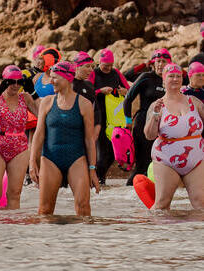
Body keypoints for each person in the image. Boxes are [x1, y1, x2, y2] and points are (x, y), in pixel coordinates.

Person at [29, 60, 100, 216]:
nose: (51, 81)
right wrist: (32, 161)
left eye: (55, 78)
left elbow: (89, 139)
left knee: (83, 209)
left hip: (76, 159)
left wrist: (92, 169)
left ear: (67, 78)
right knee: (45, 211)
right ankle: (49, 240)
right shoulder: (46, 102)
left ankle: (82, 240)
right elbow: (39, 133)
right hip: (50, 159)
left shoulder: (84, 104)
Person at [145, 63, 204, 210]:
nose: (175, 79)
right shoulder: (157, 105)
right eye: (171, 76)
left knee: (201, 203)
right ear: (164, 80)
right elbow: (149, 135)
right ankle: (156, 232)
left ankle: (192, 232)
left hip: (196, 159)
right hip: (166, 160)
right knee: (162, 203)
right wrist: (155, 116)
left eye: (178, 76)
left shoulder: (194, 102)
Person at [0, 65, 38, 209]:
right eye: (12, 81)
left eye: (19, 82)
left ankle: (12, 228)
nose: (16, 85)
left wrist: (33, 92)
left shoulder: (25, 97)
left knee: (14, 193)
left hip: (19, 147)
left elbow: (43, 114)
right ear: (4, 81)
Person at [122, 48, 170, 183]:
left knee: (156, 164)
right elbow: (128, 98)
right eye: (158, 61)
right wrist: (128, 120)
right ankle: (127, 195)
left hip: (162, 126)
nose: (161, 64)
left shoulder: (171, 80)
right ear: (153, 63)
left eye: (164, 62)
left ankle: (149, 196)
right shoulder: (146, 78)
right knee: (142, 164)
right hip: (142, 123)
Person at [93, 48, 130, 183]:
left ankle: (99, 179)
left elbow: (129, 90)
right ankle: (97, 180)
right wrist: (100, 91)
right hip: (98, 116)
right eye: (105, 66)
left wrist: (124, 91)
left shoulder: (116, 73)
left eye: (110, 65)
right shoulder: (94, 73)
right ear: (99, 62)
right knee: (102, 151)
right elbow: (88, 91)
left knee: (114, 151)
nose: (108, 68)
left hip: (114, 118)